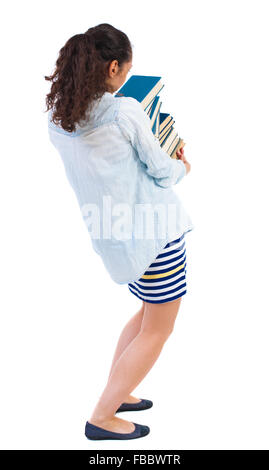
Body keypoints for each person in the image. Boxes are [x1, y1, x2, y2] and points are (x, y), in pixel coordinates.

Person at [45, 23, 194, 441]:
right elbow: (162, 172)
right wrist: (182, 163)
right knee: (159, 328)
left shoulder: (61, 120)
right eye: (126, 70)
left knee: (147, 316)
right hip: (154, 235)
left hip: (116, 239)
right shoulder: (124, 112)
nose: (127, 77)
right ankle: (102, 416)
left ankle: (119, 392)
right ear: (112, 68)